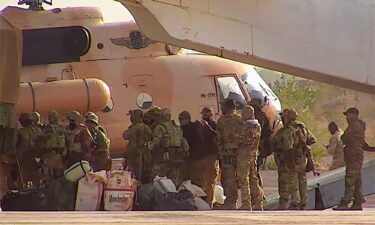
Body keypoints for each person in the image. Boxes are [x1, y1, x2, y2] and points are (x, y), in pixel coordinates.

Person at [179, 110, 218, 206]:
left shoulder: (199, 127)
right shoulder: (196, 126)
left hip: (200, 158)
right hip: (198, 158)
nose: (180, 121)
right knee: (197, 181)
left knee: (201, 181)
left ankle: (205, 202)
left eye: (181, 119)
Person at [333, 107, 366, 210]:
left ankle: (346, 202)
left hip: (353, 155)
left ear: (354, 115)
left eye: (348, 115)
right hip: (355, 155)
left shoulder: (354, 126)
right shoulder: (358, 126)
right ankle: (357, 201)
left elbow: (344, 138)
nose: (347, 117)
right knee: (356, 179)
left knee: (350, 179)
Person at [148, 108, 189, 186]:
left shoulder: (161, 127)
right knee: (173, 180)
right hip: (176, 158)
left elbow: (156, 141)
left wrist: (149, 146)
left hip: (163, 158)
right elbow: (184, 142)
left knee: (155, 178)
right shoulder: (176, 127)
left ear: (161, 117)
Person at [287, 109, 316, 210]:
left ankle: (295, 202)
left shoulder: (289, 129)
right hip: (304, 157)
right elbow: (312, 140)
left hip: (294, 157)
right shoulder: (302, 127)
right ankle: (304, 202)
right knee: (303, 180)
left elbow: (288, 146)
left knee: (293, 180)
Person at [216, 99, 243, 209]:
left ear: (227, 107)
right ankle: (247, 201)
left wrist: (220, 153)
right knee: (242, 177)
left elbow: (219, 139)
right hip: (239, 153)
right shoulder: (240, 120)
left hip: (227, 154)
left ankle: (231, 201)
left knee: (229, 178)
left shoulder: (222, 121)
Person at [237, 105, 264, 210]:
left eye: (243, 113)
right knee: (254, 179)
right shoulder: (257, 125)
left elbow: (245, 139)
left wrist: (237, 137)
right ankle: (258, 202)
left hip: (245, 156)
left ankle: (246, 203)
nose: (242, 116)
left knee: (244, 179)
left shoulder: (249, 126)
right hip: (253, 156)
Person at [271, 109, 293, 210]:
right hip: (293, 159)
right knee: (296, 181)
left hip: (285, 160)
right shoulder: (300, 128)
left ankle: (284, 203)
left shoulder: (285, 131)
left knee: (284, 181)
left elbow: (286, 147)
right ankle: (298, 202)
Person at [123, 109, 153, 183]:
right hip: (146, 154)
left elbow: (127, 138)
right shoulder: (147, 127)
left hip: (135, 155)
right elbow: (151, 138)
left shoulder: (134, 128)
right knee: (144, 175)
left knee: (135, 177)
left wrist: (126, 156)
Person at [36, 110, 66, 183]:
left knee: (47, 176)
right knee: (58, 176)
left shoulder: (48, 128)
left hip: (48, 155)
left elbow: (39, 138)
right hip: (58, 156)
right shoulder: (61, 128)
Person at [16, 112, 42, 187]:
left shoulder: (20, 132)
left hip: (24, 158)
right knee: (36, 179)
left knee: (23, 179)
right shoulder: (38, 130)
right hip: (36, 158)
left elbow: (15, 145)